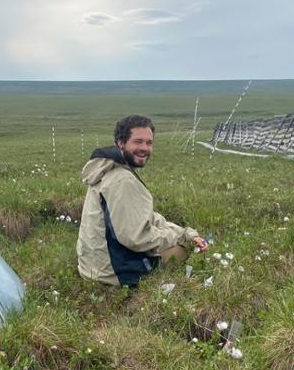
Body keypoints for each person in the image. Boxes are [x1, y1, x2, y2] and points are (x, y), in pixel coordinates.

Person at [76, 115, 208, 287]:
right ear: (121, 143)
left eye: (149, 143)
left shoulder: (108, 169)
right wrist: (179, 239)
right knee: (181, 252)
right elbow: (137, 238)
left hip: (92, 266)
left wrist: (186, 234)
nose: (144, 148)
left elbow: (145, 217)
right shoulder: (123, 180)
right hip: (111, 272)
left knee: (170, 241)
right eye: (138, 142)